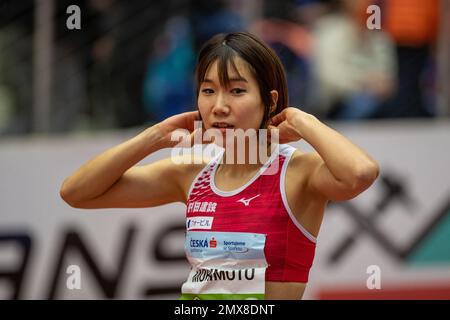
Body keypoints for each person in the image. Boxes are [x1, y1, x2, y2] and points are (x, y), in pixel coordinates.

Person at [60, 32, 379, 300]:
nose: (220, 106)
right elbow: (76, 193)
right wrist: (154, 137)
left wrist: (301, 120)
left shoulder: (298, 172)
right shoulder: (191, 173)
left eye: (237, 91)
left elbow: (360, 173)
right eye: (208, 90)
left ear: (269, 101)